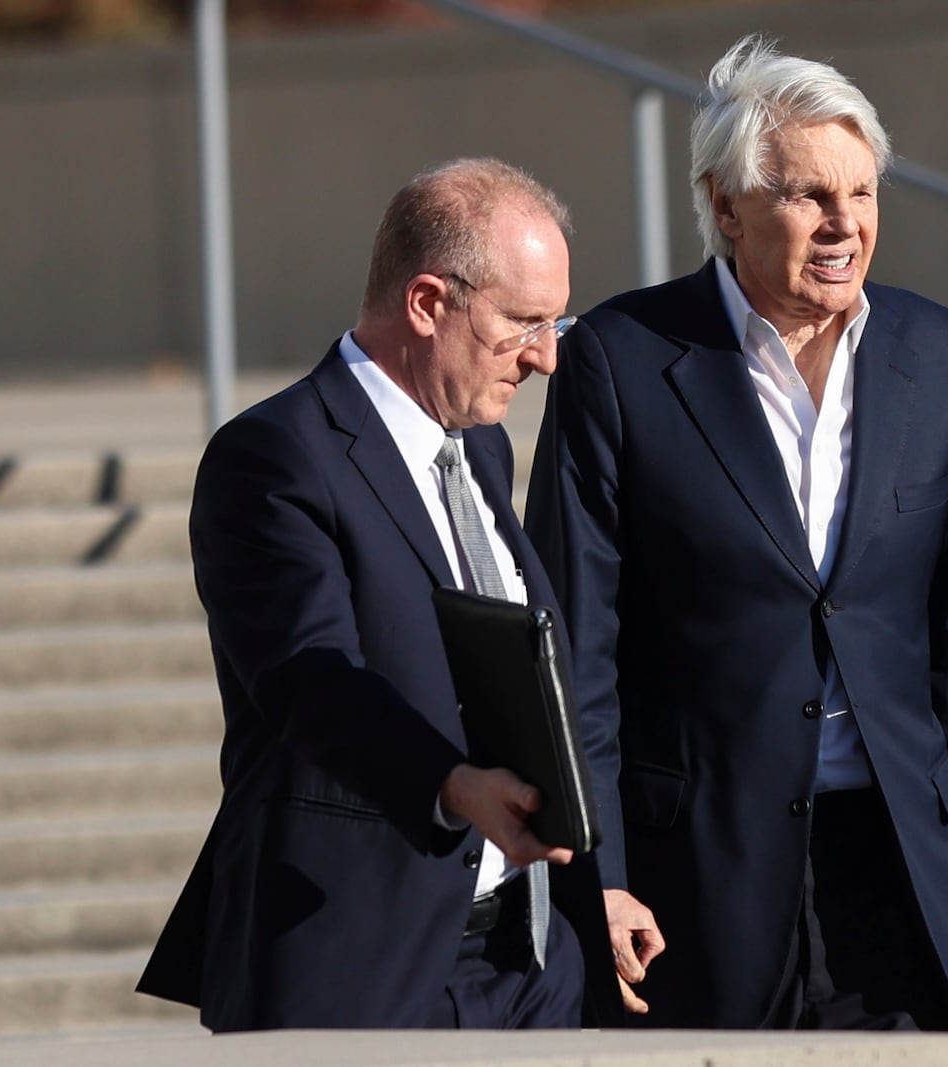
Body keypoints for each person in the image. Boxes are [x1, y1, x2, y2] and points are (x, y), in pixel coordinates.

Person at [525, 35, 948, 1031]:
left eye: (862, 195)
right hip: (695, 877)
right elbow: (575, 650)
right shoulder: (622, 360)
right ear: (723, 204)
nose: (844, 224)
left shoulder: (938, 349)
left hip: (895, 861)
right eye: (808, 196)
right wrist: (602, 871)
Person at [136, 157, 615, 1031]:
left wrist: (599, 887)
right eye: (522, 323)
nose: (547, 357)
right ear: (428, 303)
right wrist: (453, 783)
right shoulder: (276, 457)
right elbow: (309, 681)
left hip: (531, 965)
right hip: (362, 962)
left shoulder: (480, 446)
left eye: (557, 322)